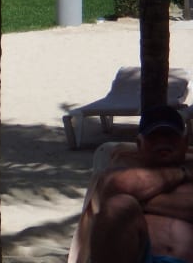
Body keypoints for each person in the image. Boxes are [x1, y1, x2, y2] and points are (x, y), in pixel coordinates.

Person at [80, 105, 193, 263]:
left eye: (170, 136)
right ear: (139, 144)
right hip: (142, 257)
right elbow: (116, 188)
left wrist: (140, 198)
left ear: (185, 142)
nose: (162, 142)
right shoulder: (123, 167)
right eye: (153, 137)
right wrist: (182, 173)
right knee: (118, 205)